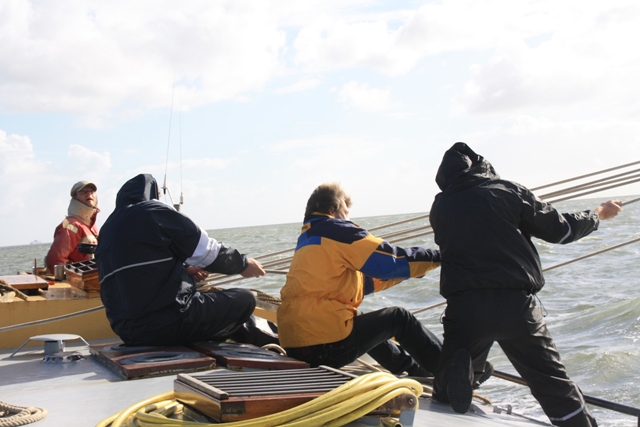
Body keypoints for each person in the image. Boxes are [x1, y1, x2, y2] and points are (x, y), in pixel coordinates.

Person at [429, 142, 622, 426]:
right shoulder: (508, 190)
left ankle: (464, 373)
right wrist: (597, 214)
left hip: (465, 308)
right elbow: (560, 230)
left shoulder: (441, 205)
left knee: (447, 389)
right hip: (515, 305)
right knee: (552, 384)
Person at [277, 182, 443, 377]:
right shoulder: (337, 230)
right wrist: (439, 257)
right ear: (334, 208)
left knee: (361, 320)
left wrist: (406, 274)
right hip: (324, 347)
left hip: (294, 344)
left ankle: (416, 372)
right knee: (399, 318)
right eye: (346, 212)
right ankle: (452, 372)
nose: (348, 218)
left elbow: (363, 283)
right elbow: (391, 260)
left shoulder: (307, 238)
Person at [96, 173, 277, 347]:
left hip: (129, 332)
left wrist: (183, 270)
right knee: (245, 298)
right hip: (170, 322)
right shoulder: (152, 211)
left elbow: (138, 272)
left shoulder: (106, 230)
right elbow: (207, 251)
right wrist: (244, 264)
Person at [45, 180, 100, 273]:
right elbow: (55, 260)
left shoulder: (91, 226)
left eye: (92, 191)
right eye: (84, 191)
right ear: (75, 197)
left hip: (90, 280)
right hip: (78, 282)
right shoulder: (70, 225)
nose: (89, 194)